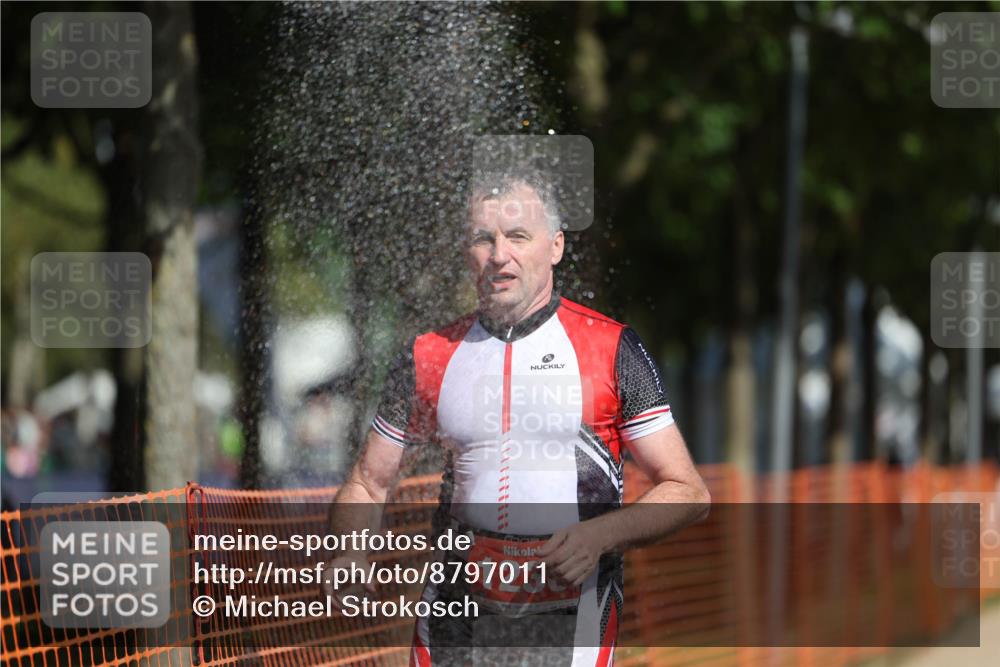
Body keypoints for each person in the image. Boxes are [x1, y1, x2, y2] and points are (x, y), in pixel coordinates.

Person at [322, 170, 710, 666]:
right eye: (483, 238)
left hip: (570, 616)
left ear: (556, 246)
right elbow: (368, 482)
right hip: (455, 616)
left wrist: (599, 536)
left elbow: (687, 491)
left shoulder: (611, 348)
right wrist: (350, 551)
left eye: (518, 236)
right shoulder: (429, 355)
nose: (499, 255)